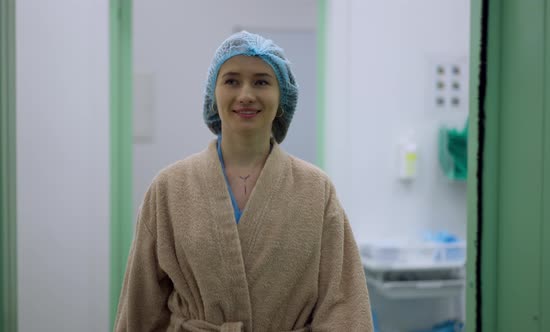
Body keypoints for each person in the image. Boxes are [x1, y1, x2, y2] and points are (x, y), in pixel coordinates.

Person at [114, 31, 373, 332]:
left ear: (282, 98)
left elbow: (343, 306)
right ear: (214, 92)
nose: (246, 94)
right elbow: (141, 305)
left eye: (262, 81)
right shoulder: (170, 188)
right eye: (232, 81)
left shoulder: (316, 191)